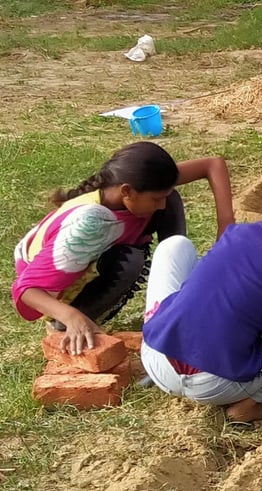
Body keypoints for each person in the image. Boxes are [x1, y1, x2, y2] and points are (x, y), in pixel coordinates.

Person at [140, 166, 262, 422]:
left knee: (174, 246)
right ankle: (253, 403)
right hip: (214, 384)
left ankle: (166, 342)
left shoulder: (238, 232)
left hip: (156, 359)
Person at [12, 141, 234, 356]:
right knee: (129, 261)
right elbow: (26, 290)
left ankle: (181, 299)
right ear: (127, 191)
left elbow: (212, 164)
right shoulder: (89, 225)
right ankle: (64, 326)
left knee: (171, 197)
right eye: (155, 199)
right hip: (57, 294)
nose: (161, 205)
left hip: (84, 255)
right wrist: (71, 316)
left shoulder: (132, 186)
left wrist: (226, 225)